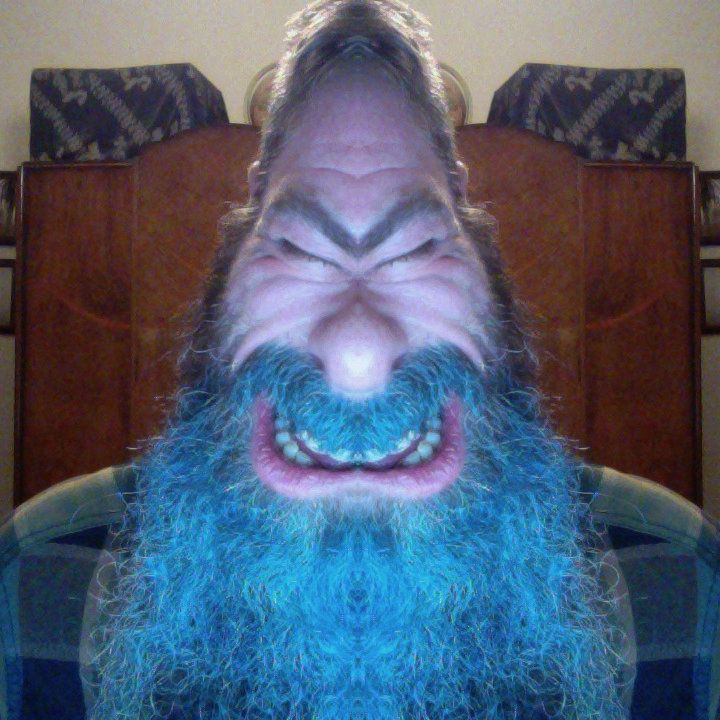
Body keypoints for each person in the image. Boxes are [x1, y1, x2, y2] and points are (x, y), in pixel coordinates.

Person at [88, 1, 628, 718]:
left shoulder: (678, 577)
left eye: (417, 249)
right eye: (298, 249)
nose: (357, 360)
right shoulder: (37, 577)